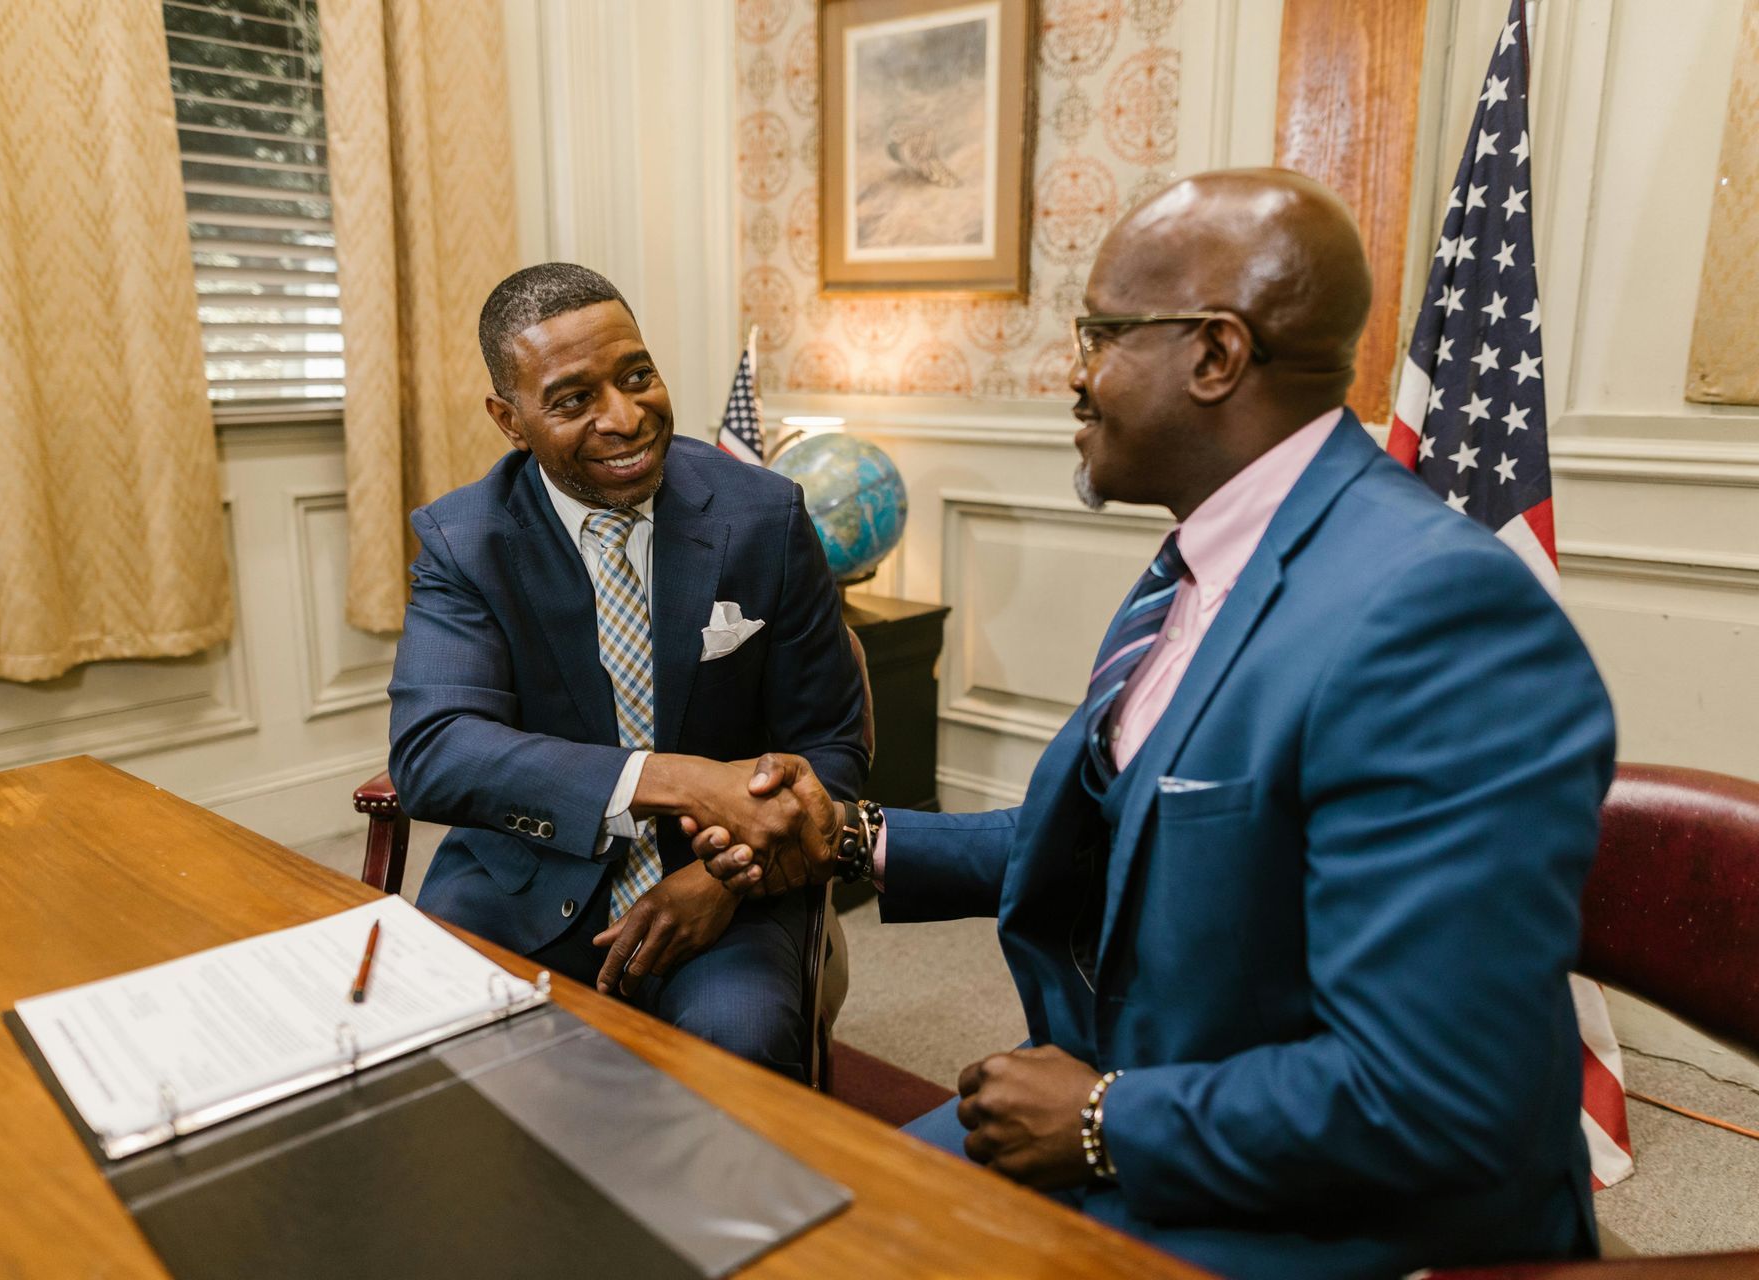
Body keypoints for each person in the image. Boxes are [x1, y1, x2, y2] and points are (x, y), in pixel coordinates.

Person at [689, 170, 1616, 1277]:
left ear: (1215, 354)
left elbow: (1446, 1096)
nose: (1073, 374)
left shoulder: (1436, 617)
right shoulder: (1202, 562)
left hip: (1337, 1208)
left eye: (1099, 334)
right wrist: (854, 837)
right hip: (1159, 1101)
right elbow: (1136, 835)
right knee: (803, 1221)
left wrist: (1104, 1120)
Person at [387, 263, 867, 1081]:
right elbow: (435, 750)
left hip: (728, 880)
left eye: (637, 376)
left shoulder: (764, 517)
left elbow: (831, 746)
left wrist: (723, 880)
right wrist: (677, 780)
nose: (624, 417)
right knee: (432, 1039)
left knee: (740, 1045)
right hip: (524, 873)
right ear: (510, 420)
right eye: (573, 399)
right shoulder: (465, 542)